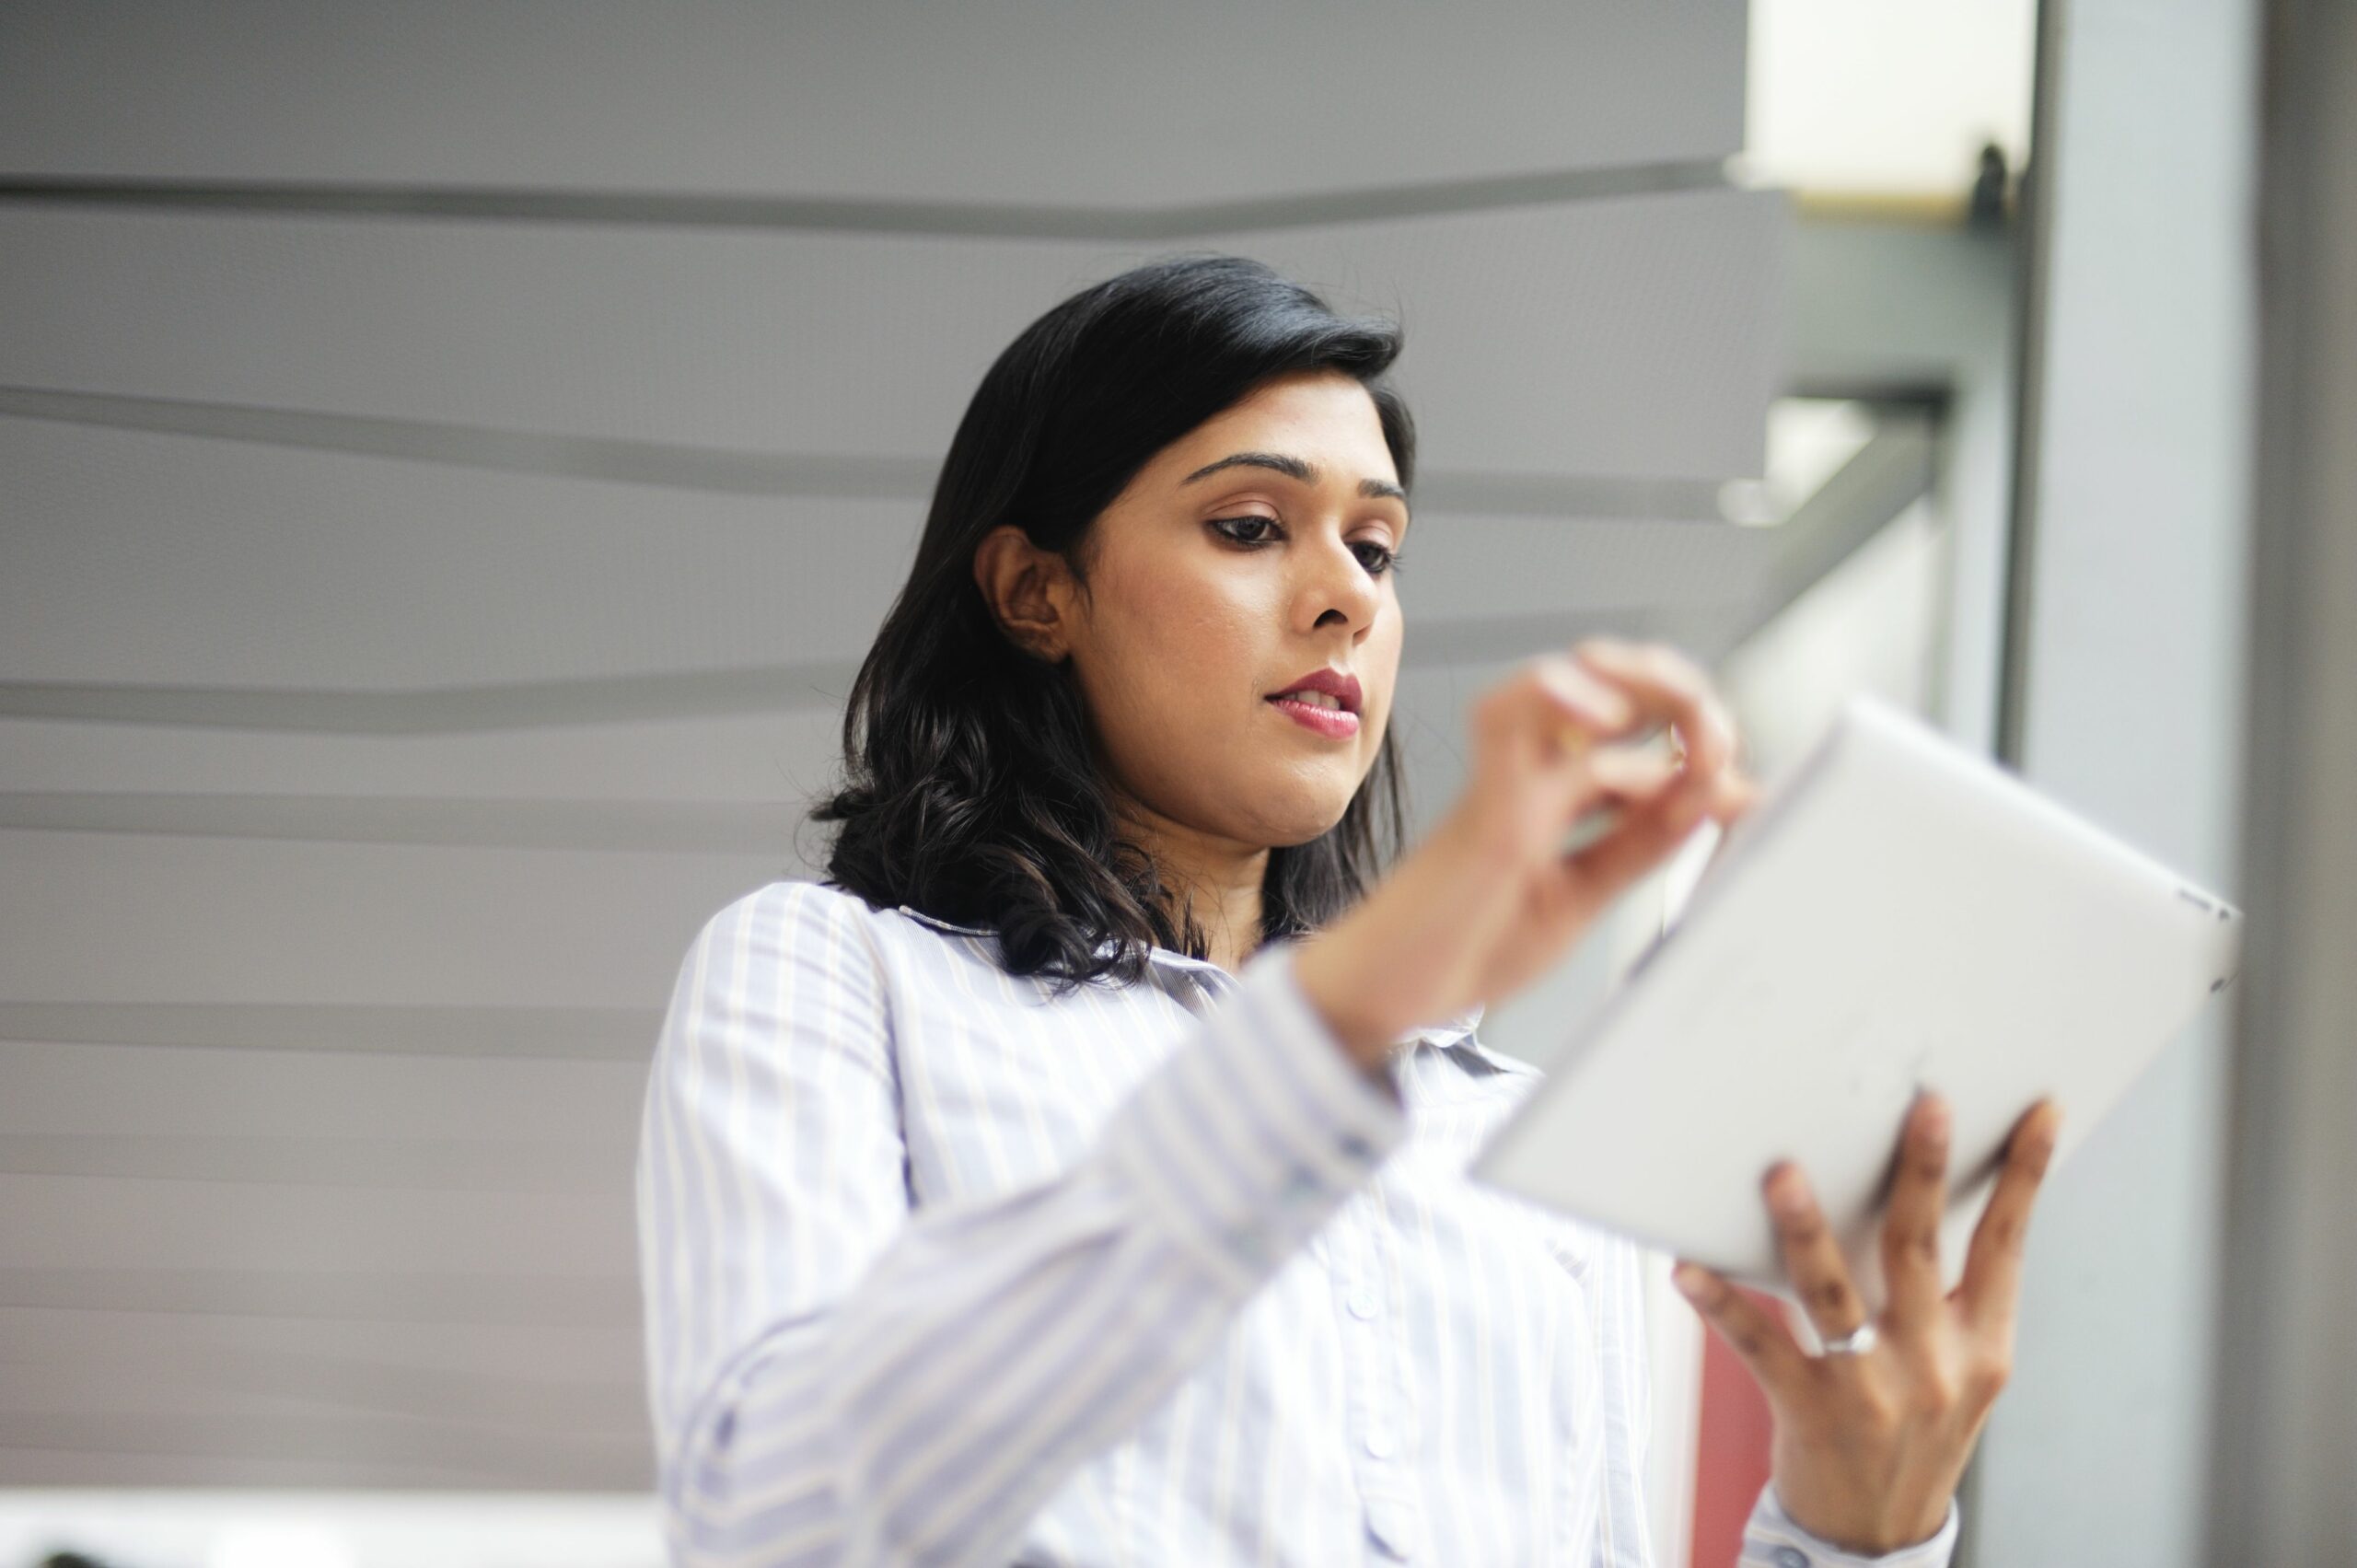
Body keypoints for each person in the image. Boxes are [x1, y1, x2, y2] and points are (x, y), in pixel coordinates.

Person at [634, 253, 2061, 1566]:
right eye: (1252, 526)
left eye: (1377, 549)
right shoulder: (833, 979)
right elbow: (767, 1521)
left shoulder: (1507, 1138)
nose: (1345, 601)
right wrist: (1332, 1027)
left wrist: (1853, 1531)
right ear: (1034, 592)